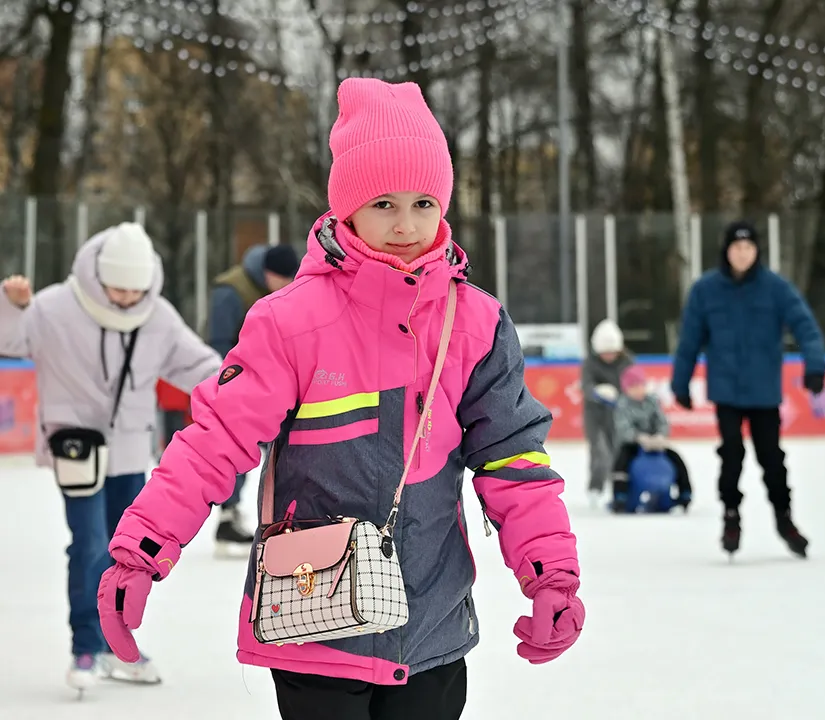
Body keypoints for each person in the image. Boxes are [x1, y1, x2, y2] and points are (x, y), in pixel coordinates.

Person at [97, 78, 585, 720]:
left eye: (423, 203)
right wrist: (141, 551)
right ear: (346, 208)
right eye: (383, 202)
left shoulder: (476, 325)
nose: (406, 225)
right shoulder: (289, 322)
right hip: (313, 617)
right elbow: (214, 444)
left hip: (429, 624)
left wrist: (550, 573)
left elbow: (514, 462)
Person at [0, 223, 222, 691]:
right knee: (89, 545)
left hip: (128, 454)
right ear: (98, 278)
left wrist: (246, 386)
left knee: (125, 554)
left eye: (135, 289)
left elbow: (199, 365)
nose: (125, 298)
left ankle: (118, 643)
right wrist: (14, 308)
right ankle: (86, 645)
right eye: (117, 287)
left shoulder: (156, 315)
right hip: (77, 452)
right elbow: (10, 342)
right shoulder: (55, 307)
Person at [670, 220, 825, 557]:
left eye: (749, 248)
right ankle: (730, 515)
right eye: (737, 248)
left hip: (764, 390)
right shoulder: (705, 290)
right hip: (726, 389)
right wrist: (680, 383)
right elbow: (689, 341)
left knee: (771, 457)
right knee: (731, 455)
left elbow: (806, 326)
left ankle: (784, 518)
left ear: (757, 252)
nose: (743, 254)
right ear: (726, 252)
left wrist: (815, 365)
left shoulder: (776, 288)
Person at [206, 242, 300, 557]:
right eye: (282, 279)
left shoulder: (281, 288)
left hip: (266, 379)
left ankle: (236, 514)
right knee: (237, 446)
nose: (287, 286)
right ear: (267, 273)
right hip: (233, 379)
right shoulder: (231, 293)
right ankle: (227, 515)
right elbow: (217, 343)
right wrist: (228, 386)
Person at [611, 364, 692, 513]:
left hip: (656, 443)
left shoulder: (652, 401)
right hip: (633, 444)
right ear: (626, 389)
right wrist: (639, 438)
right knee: (622, 461)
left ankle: (685, 492)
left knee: (676, 458)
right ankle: (620, 495)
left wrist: (660, 436)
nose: (638, 390)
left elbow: (662, 421)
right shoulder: (622, 405)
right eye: (633, 387)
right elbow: (623, 427)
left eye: (640, 385)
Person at [581, 319, 632, 508]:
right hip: (594, 413)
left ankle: (619, 488)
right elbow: (585, 385)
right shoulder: (590, 363)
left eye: (613, 352)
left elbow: (633, 382)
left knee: (618, 450)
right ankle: (595, 487)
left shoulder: (627, 361)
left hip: (619, 413)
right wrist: (597, 392)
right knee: (599, 451)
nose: (609, 356)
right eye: (605, 352)